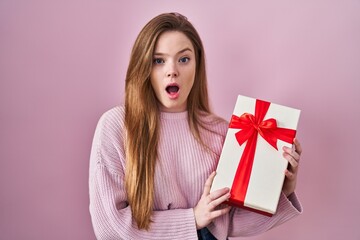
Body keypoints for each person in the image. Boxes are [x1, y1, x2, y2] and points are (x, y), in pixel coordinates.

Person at [89, 12, 303, 240]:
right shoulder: (115, 127)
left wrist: (282, 189)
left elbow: (226, 222)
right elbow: (109, 227)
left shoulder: (222, 132)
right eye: (158, 60)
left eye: (183, 59)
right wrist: (192, 219)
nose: (172, 70)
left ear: (197, 65)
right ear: (144, 67)